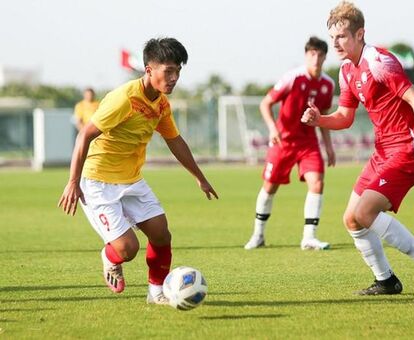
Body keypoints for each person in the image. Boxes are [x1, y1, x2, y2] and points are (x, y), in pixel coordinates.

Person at [301, 1, 414, 294]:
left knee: (366, 212)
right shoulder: (346, 71)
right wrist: (319, 119)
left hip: (407, 149)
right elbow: (344, 118)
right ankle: (386, 280)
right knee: (351, 219)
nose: (336, 43)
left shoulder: (380, 62)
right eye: (333, 38)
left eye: (342, 36)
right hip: (382, 152)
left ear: (360, 34)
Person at [58, 37, 218, 304]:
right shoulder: (124, 99)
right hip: (97, 182)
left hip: (131, 180)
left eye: (178, 70)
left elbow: (175, 141)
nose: (174, 77)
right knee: (128, 249)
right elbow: (84, 135)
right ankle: (110, 257)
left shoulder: (162, 104)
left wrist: (200, 177)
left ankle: (156, 293)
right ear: (149, 70)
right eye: (168, 71)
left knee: (161, 233)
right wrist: (73, 181)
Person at [244, 37, 336, 251]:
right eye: (312, 54)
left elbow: (322, 118)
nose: (316, 58)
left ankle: (309, 238)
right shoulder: (292, 77)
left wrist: (328, 146)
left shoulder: (328, 84)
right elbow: (265, 103)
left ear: (324, 57)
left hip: (308, 143)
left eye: (320, 54)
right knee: (270, 187)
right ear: (306, 56)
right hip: (283, 140)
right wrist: (272, 128)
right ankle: (258, 235)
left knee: (317, 183)